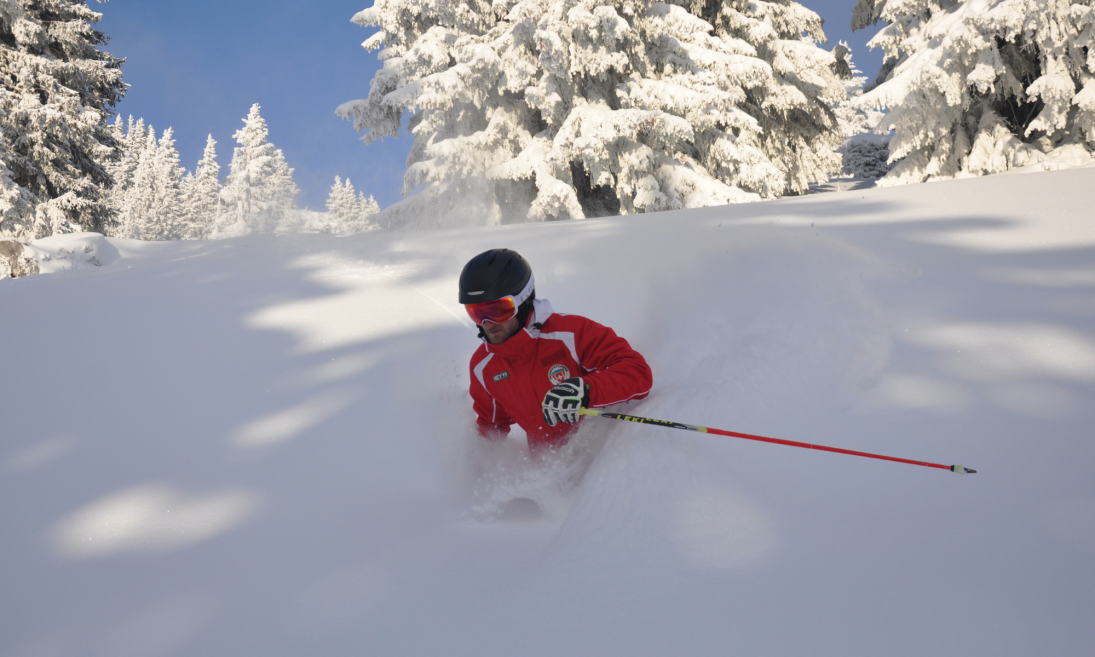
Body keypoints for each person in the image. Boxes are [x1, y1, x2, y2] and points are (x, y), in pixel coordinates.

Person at [460, 248, 653, 453]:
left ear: (523, 300)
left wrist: (585, 391)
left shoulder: (571, 333)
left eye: (499, 310)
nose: (487, 323)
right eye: (476, 312)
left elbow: (637, 372)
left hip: (604, 459)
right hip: (548, 472)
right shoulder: (483, 366)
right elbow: (491, 427)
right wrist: (472, 467)